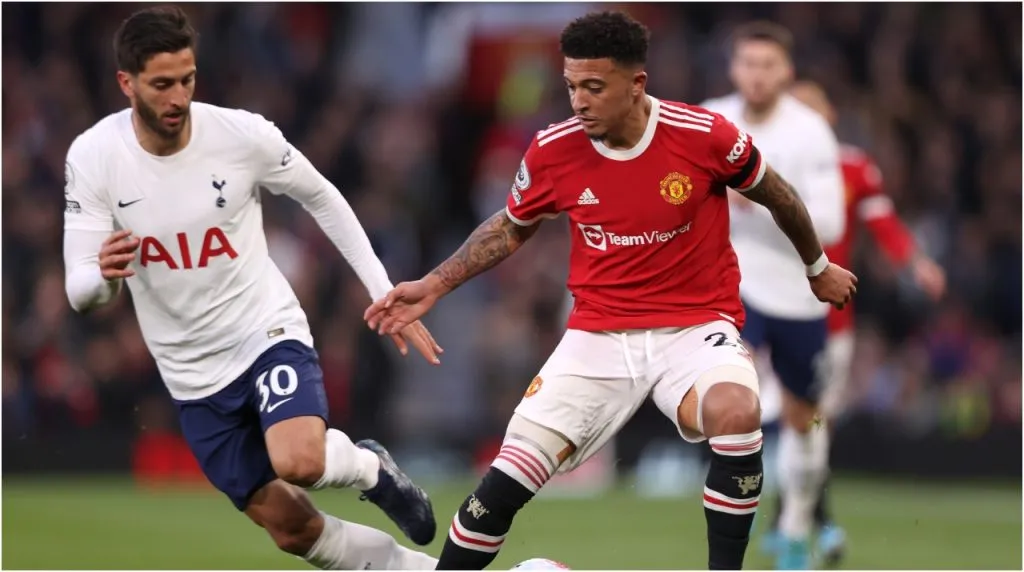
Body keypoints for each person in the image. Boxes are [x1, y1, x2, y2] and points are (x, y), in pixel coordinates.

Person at [364, 11, 857, 571]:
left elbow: (779, 193)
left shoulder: (703, 136)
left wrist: (816, 266)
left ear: (636, 84)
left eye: (594, 87)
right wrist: (433, 284)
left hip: (694, 330)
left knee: (737, 411)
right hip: (596, 337)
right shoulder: (553, 149)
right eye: (572, 85)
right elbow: (509, 226)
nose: (579, 101)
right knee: (498, 491)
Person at [62, 6, 442, 570]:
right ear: (127, 83)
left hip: (262, 329)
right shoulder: (93, 157)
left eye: (186, 80)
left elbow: (322, 195)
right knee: (294, 530)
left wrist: (383, 291)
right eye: (161, 84)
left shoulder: (241, 135)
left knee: (299, 459)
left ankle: (368, 470)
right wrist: (104, 278)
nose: (177, 98)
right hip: (190, 374)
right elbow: (79, 287)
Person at [753, 80, 947, 566]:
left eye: (810, 112)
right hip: (769, 309)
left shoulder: (855, 167)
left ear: (828, 119)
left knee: (812, 424)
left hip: (829, 324)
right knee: (789, 420)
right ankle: (801, 526)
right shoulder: (762, 166)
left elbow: (883, 223)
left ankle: (794, 525)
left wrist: (915, 262)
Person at [700, 21, 849, 570]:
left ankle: (792, 530)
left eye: (769, 66)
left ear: (786, 72)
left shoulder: (810, 131)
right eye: (748, 64)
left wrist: (756, 198)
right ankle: (732, 516)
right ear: (733, 68)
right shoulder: (711, 118)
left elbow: (829, 223)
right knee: (727, 396)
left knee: (805, 421)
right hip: (730, 287)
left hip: (798, 293)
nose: (757, 76)